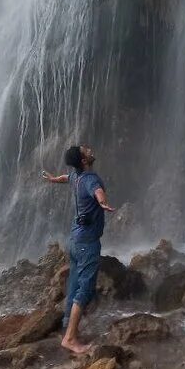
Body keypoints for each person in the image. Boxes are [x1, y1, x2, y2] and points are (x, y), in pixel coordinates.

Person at [41, 143, 116, 354]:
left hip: (74, 241)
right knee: (86, 289)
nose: (89, 150)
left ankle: (67, 324)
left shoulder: (76, 176)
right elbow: (98, 191)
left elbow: (67, 178)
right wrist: (102, 202)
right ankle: (71, 338)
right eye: (86, 151)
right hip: (87, 243)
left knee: (74, 284)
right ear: (83, 161)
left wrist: (54, 179)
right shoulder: (90, 179)